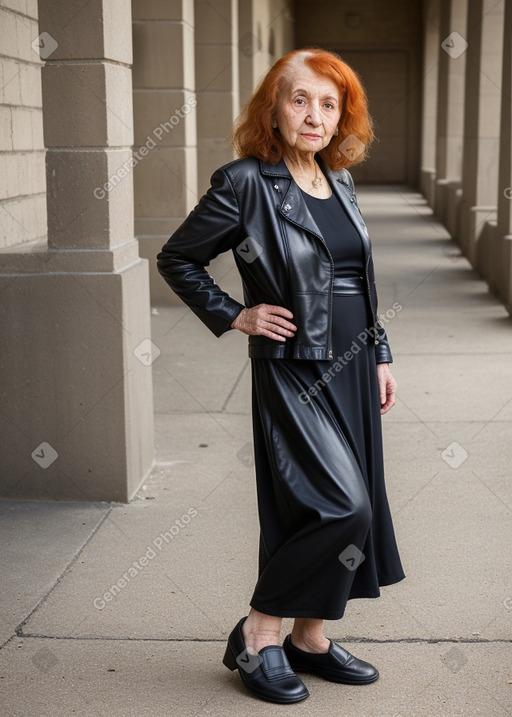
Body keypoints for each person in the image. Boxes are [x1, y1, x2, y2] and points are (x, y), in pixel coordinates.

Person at [157, 47, 405, 704]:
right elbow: (178, 258)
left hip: (353, 362)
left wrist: (380, 353)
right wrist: (236, 314)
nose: (315, 114)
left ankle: (310, 638)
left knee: (339, 506)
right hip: (296, 367)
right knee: (338, 503)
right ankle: (259, 631)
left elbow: (359, 278)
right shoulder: (244, 183)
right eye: (300, 99)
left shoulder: (340, 181)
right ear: (274, 106)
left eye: (330, 102)